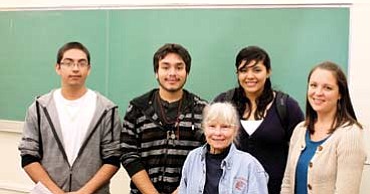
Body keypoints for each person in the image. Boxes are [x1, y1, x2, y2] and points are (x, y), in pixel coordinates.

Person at [18, 42, 121, 194]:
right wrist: (56, 192)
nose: (75, 68)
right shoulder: (39, 108)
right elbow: (28, 156)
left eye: (81, 63)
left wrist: (83, 192)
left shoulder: (106, 109)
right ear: (58, 68)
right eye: (68, 63)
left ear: (89, 69)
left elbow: (113, 158)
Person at [213, 46, 304, 194]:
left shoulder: (286, 106)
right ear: (237, 74)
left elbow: (300, 152)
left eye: (257, 70)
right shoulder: (223, 102)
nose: (250, 76)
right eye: (243, 70)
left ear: (268, 72)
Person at [120, 43, 207, 194]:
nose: (172, 73)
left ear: (187, 72)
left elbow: (208, 156)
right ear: (156, 71)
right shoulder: (137, 108)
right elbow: (128, 154)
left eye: (179, 67)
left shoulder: (202, 110)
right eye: (165, 67)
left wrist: (182, 190)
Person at [281, 61, 366, 194]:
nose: (318, 92)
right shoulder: (300, 130)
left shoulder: (350, 134)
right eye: (313, 85)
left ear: (340, 94)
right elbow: (287, 182)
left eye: (327, 88)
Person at [178, 102, 269, 194]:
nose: (218, 133)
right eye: (212, 126)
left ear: (235, 131)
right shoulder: (193, 158)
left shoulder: (250, 165)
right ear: (204, 129)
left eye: (225, 127)